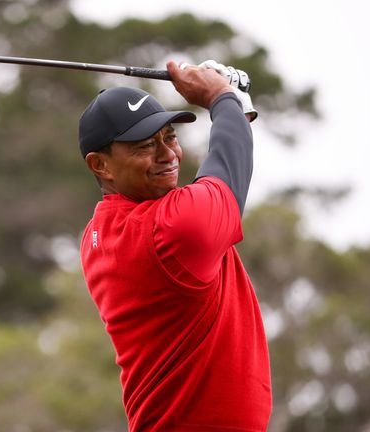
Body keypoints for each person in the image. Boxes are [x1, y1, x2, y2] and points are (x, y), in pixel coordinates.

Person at [78, 60, 271, 431]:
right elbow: (227, 170)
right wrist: (221, 96)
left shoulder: (97, 235)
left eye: (170, 136)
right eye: (144, 146)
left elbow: (220, 172)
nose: (167, 154)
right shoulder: (174, 230)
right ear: (100, 165)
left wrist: (232, 106)